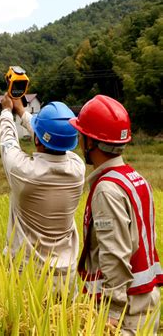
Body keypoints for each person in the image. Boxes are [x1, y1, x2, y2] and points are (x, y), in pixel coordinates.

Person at [69, 94, 162, 335]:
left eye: (81, 134)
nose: (79, 140)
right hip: (145, 302)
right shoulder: (136, 178)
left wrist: (112, 313)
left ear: (90, 142)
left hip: (125, 314)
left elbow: (115, 255)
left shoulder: (107, 190)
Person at [0, 94, 85, 283]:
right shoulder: (78, 168)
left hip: (26, 274)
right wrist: (22, 111)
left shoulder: (23, 171)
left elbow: (7, 140)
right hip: (66, 275)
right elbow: (58, 140)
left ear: (38, 139)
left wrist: (6, 111)